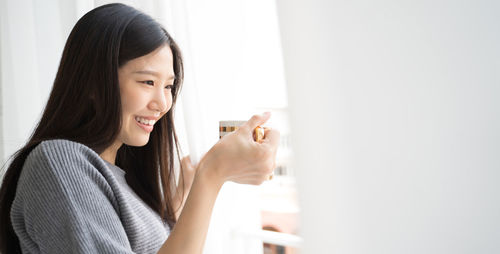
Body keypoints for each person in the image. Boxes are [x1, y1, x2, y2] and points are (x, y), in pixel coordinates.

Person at [0, 3, 279, 254]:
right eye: (148, 82)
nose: (162, 103)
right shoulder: (58, 162)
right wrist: (212, 176)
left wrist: (185, 200)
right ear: (95, 84)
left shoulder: (124, 179)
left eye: (168, 86)